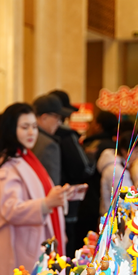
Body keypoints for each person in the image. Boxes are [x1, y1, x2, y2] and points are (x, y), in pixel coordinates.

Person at [0, 103, 68, 275]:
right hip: (17, 245)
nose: (31, 132)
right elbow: (10, 209)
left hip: (31, 240)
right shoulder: (6, 166)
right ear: (11, 128)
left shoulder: (26, 159)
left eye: (33, 126)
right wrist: (46, 203)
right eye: (24, 127)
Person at [50, 90, 94, 257]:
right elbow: (82, 168)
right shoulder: (67, 136)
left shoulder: (44, 137)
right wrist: (91, 156)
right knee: (66, 248)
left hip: (49, 200)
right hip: (67, 200)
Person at [76, 111, 118, 252]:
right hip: (106, 203)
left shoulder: (91, 144)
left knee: (87, 243)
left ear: (98, 126)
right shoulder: (114, 146)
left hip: (89, 200)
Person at [31, 94, 69, 185]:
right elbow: (52, 184)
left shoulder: (28, 138)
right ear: (44, 118)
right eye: (57, 118)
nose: (59, 123)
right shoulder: (49, 145)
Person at [97, 131, 131, 215]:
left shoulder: (116, 165)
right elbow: (124, 200)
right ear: (124, 150)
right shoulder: (116, 170)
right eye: (136, 152)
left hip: (110, 216)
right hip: (114, 219)